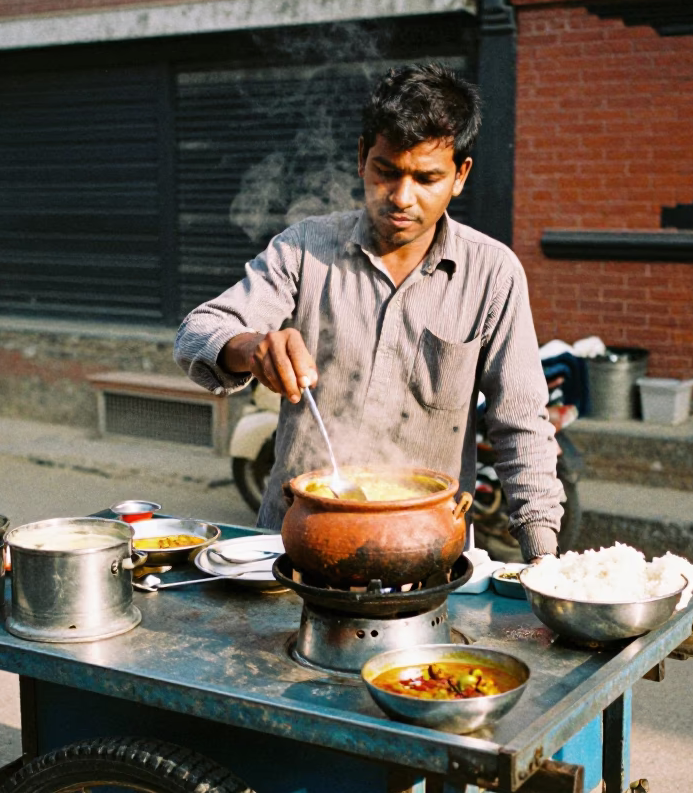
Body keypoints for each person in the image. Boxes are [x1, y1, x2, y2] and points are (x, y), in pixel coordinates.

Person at [175, 63, 563, 562]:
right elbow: (197, 332)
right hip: (298, 541)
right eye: (387, 171)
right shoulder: (304, 249)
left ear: (460, 176)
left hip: (426, 550)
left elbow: (521, 424)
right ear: (362, 158)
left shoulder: (492, 273)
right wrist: (251, 348)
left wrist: (544, 560)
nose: (402, 198)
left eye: (427, 178)